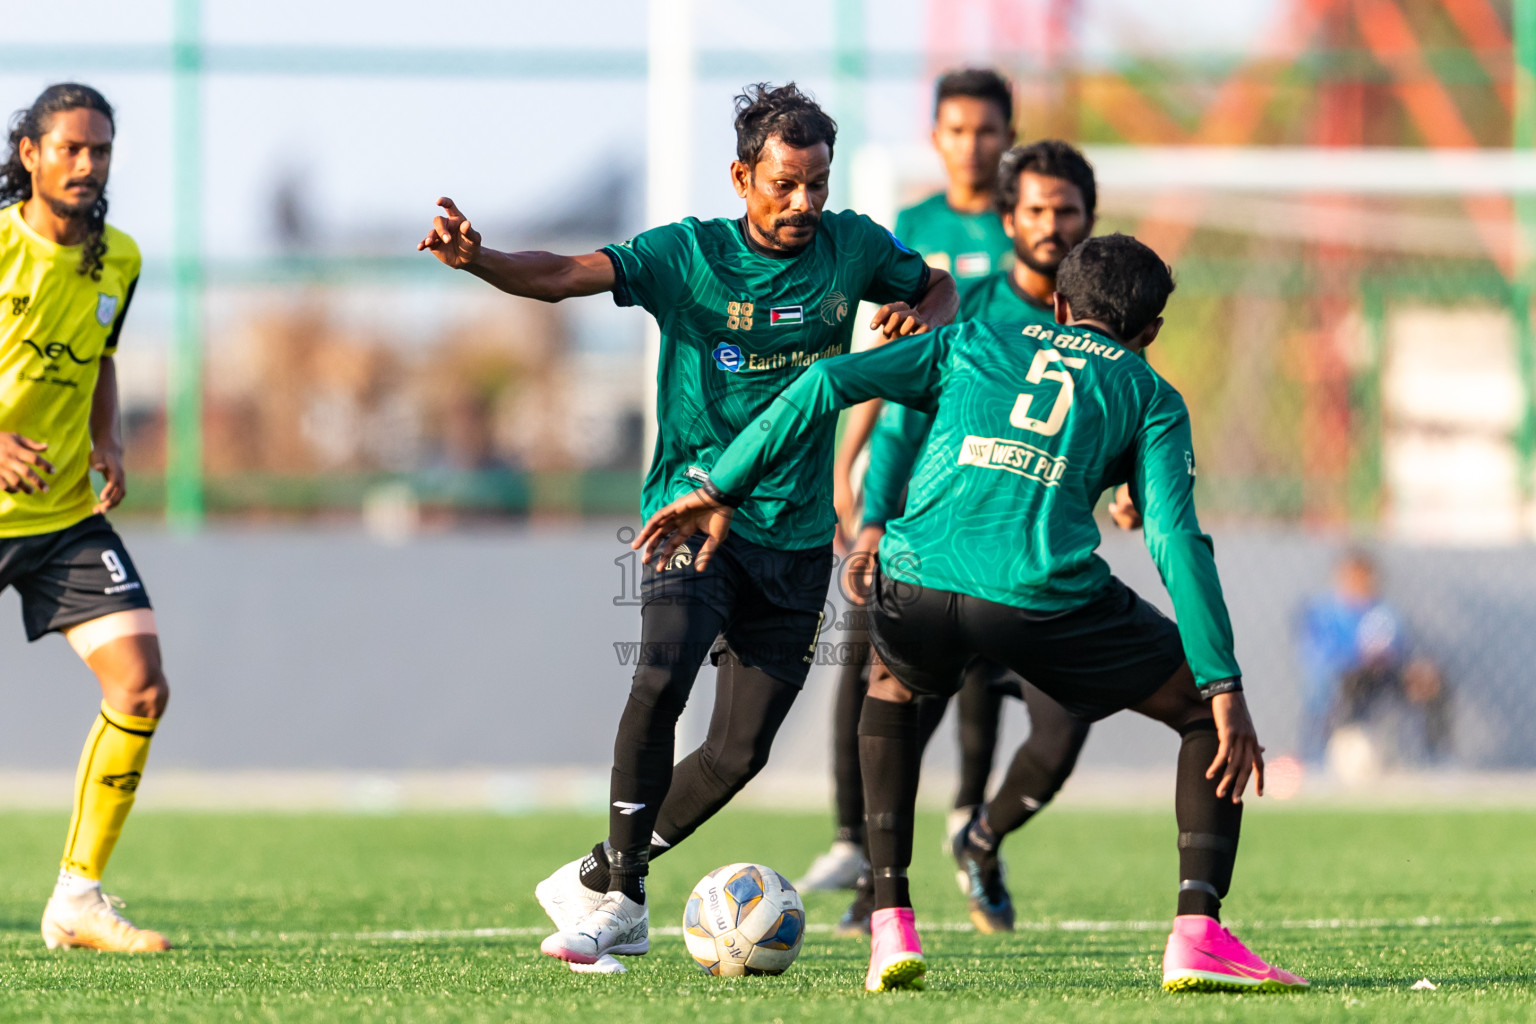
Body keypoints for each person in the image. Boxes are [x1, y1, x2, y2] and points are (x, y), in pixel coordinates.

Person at [637, 234, 1307, 995]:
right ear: (1151, 332)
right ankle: (1198, 932)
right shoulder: (1151, 394)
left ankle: (889, 921)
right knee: (1196, 712)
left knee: (888, 688)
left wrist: (723, 485)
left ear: (1058, 304)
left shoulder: (975, 338)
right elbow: (1175, 540)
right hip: (1038, 597)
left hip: (915, 583)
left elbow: (826, 381)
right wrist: (1225, 687)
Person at [418, 82, 957, 970]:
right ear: (742, 177)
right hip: (691, 515)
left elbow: (937, 286)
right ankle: (623, 900)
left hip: (793, 537)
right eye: (784, 184)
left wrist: (918, 314)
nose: (802, 204)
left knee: (740, 751)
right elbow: (561, 278)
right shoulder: (686, 256)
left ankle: (601, 868)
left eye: (816, 184)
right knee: (659, 680)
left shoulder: (853, 245)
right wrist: (482, 260)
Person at [0, 83, 170, 952]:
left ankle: (77, 899)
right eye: (68, 148)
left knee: (140, 683)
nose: (85, 165)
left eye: (98, 150)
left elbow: (99, 356)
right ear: (29, 152)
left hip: (63, 515)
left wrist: (107, 438)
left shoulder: (121, 257)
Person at [1296, 551, 1449, 766]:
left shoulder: (1384, 611)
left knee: (1428, 681)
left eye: (1365, 579)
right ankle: (1323, 760)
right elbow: (1319, 656)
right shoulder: (1323, 613)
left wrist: (1406, 664)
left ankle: (1436, 758)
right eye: (1354, 579)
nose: (1361, 586)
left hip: (1383, 674)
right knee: (1349, 684)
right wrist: (1358, 658)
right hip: (1344, 676)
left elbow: (1400, 649)